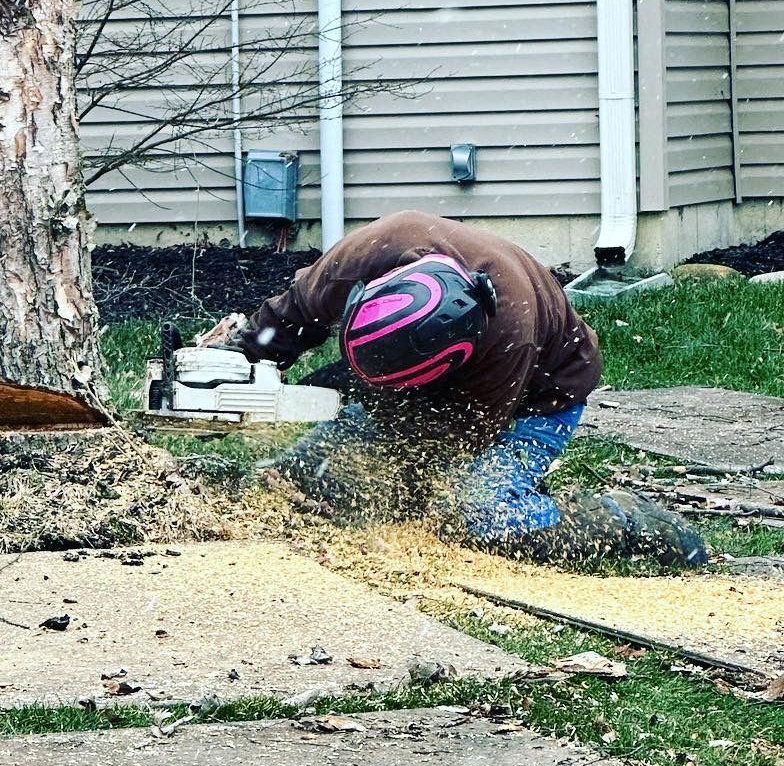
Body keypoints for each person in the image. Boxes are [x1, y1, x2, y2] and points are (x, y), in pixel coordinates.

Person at [197, 210, 708, 568]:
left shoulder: (509, 337)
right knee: (302, 479)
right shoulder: (364, 256)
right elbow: (289, 317)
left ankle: (619, 518)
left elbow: (453, 440)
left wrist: (397, 479)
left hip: (535, 402)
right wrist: (237, 363)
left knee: (475, 518)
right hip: (410, 388)